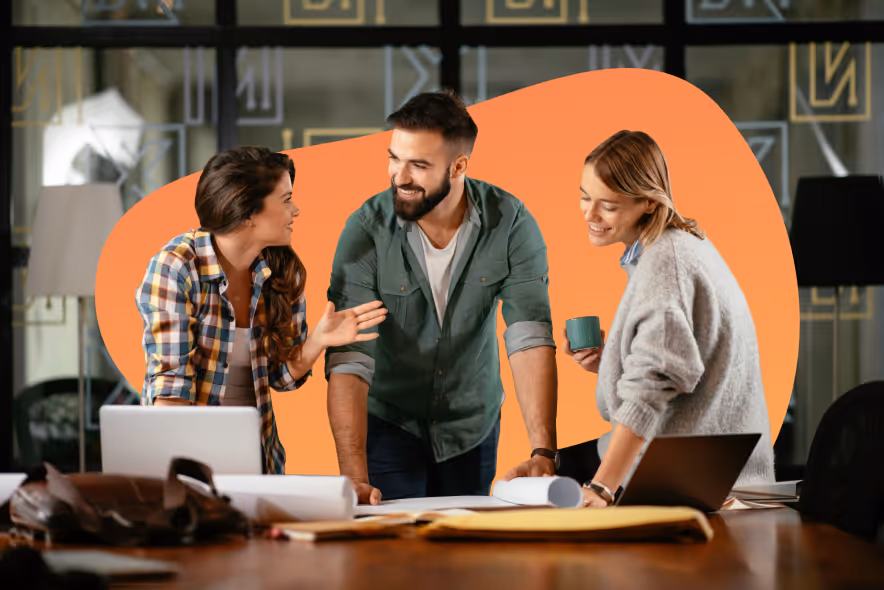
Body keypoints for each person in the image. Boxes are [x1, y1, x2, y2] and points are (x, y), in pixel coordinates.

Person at [325, 90, 559, 504]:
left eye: (418, 164)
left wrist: (543, 450)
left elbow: (529, 337)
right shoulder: (365, 229)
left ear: (459, 166)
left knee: (466, 555)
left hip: (472, 426)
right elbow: (349, 357)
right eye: (394, 157)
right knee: (394, 556)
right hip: (389, 423)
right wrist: (354, 477)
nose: (399, 176)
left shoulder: (512, 223)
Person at [556, 130, 774, 507]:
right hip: (705, 474)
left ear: (648, 203)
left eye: (607, 204)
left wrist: (602, 488)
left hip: (694, 488)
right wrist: (612, 361)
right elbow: (680, 360)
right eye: (584, 196)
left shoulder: (665, 263)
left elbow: (651, 386)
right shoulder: (682, 246)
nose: (589, 214)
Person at [136, 146, 387, 475]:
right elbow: (170, 393)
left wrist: (318, 341)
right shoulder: (177, 268)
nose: (295, 210)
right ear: (248, 212)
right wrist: (186, 483)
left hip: (258, 465)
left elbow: (280, 379)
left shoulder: (283, 271)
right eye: (286, 200)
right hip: (185, 464)